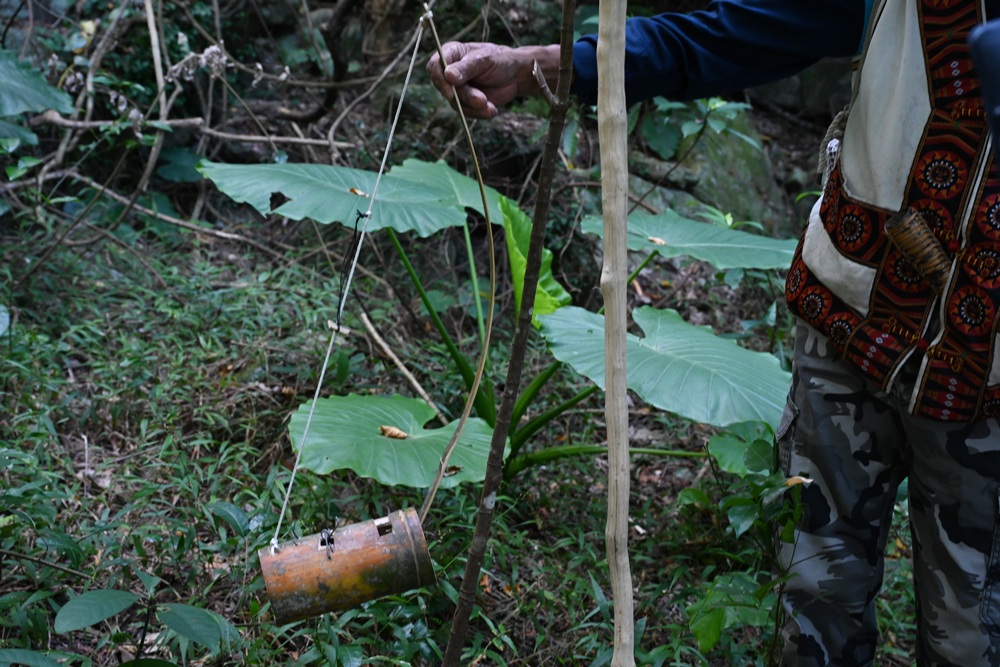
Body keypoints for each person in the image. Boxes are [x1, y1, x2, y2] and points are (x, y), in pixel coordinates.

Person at [428, 0, 1000, 665]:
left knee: (972, 634)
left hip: (985, 376)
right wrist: (540, 67)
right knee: (814, 604)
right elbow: (741, 33)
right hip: (849, 315)